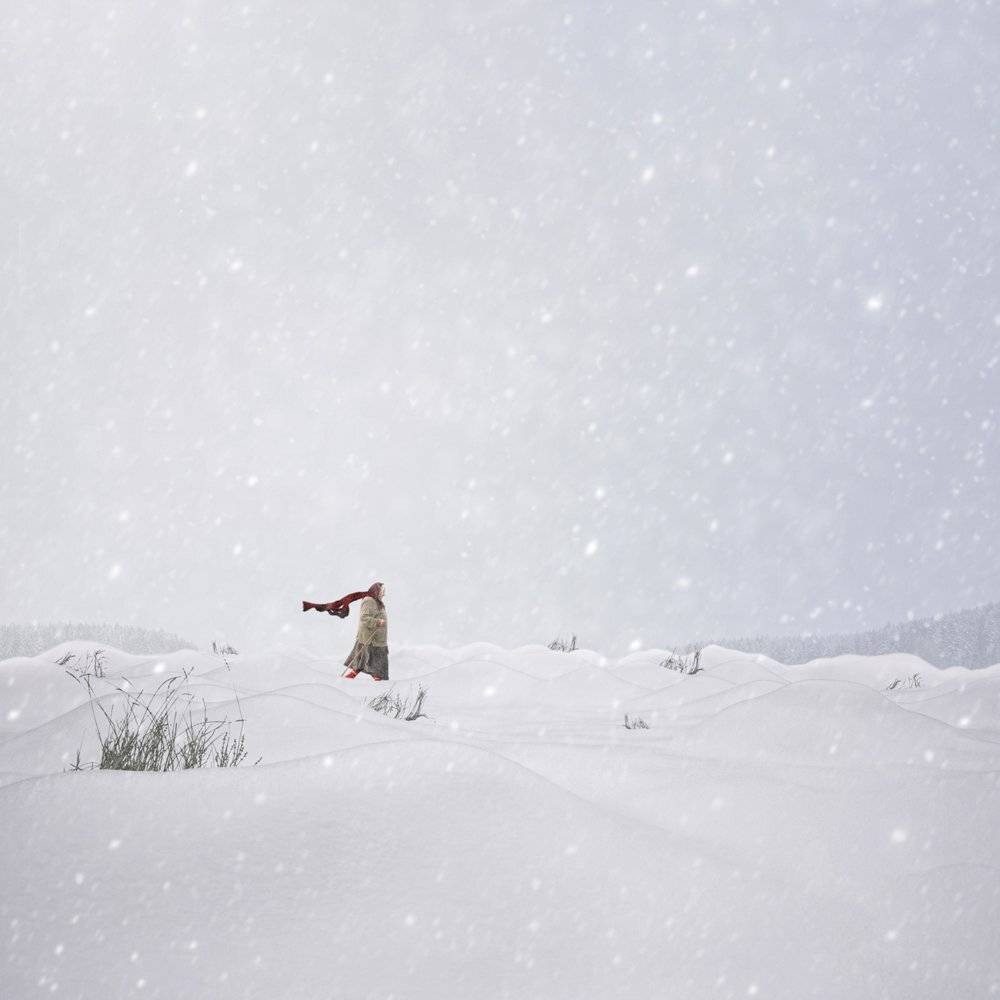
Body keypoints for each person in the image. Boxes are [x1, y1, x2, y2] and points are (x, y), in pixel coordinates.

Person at [340, 582, 389, 680]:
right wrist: (377, 622)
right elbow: (364, 618)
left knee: (363, 662)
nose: (384, 594)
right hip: (371, 639)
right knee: (377, 666)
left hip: (377, 638)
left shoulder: (378, 602)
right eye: (382, 591)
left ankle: (348, 679)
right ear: (376, 591)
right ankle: (378, 686)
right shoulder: (369, 601)